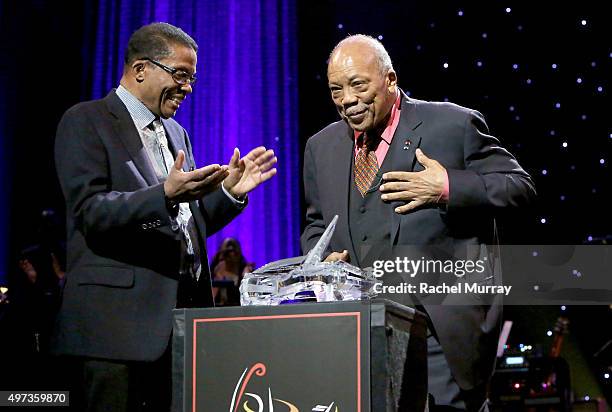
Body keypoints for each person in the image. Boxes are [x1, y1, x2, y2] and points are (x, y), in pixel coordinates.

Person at [301, 35, 536, 411]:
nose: (347, 99)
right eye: (336, 90)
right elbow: (316, 225)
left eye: (358, 84)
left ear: (390, 80)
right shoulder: (321, 147)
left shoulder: (452, 125)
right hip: (361, 336)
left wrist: (447, 186)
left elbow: (519, 186)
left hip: (439, 332)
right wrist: (322, 260)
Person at [52, 22, 277, 411]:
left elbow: (186, 224)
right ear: (141, 69)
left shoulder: (177, 134)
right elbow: (91, 212)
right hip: (115, 334)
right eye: (180, 75)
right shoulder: (87, 121)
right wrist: (165, 194)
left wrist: (228, 194)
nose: (188, 88)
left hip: (179, 329)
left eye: (192, 77)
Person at [211, 237, 254, 306]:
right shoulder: (212, 274)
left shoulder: (246, 273)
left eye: (234, 252)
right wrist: (218, 276)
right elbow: (207, 303)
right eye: (227, 253)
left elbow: (252, 302)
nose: (231, 257)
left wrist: (247, 279)